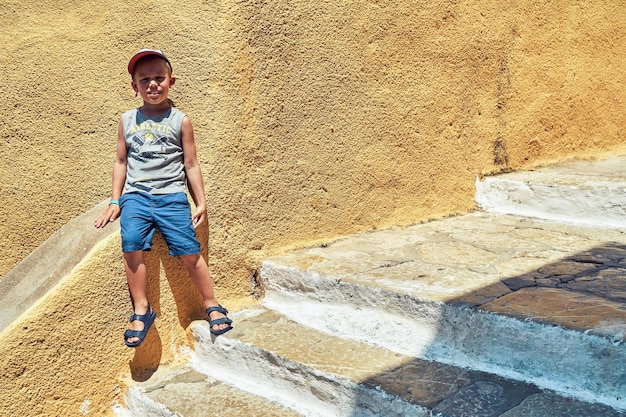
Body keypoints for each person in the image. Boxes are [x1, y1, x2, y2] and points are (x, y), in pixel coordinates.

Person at [95, 49, 232, 347]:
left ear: (172, 81)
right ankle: (142, 310)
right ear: (135, 86)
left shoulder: (180, 121)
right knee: (130, 245)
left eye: (159, 78)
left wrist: (201, 201)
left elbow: (191, 164)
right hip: (136, 197)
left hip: (171, 197)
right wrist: (115, 200)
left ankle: (211, 303)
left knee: (189, 251)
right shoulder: (127, 120)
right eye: (145, 80)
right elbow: (121, 162)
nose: (153, 84)